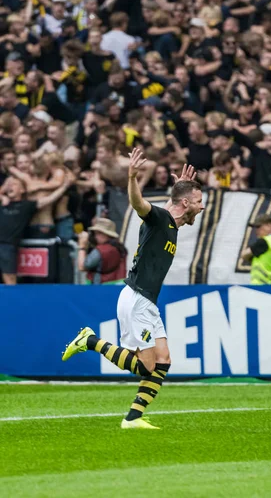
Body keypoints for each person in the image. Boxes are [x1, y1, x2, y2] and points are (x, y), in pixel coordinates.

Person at [62, 150, 204, 430]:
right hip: (137, 298)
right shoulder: (159, 218)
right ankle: (90, 341)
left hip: (148, 301)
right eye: (198, 202)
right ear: (186, 203)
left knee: (163, 361)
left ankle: (133, 419)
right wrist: (132, 177)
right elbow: (139, 204)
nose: (201, 208)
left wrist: (179, 189)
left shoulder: (169, 223)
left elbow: (168, 211)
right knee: (145, 367)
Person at [0, 174, 71, 285]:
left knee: (9, 278)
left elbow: (49, 199)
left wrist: (65, 186)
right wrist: (2, 195)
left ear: (22, 190)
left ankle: (11, 301)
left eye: (14, 184)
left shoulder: (26, 205)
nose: (10, 187)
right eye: (8, 184)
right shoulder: (3, 202)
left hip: (7, 245)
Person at [241, 214, 271, 285]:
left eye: (258, 227)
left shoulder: (265, 241)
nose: (256, 230)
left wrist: (251, 258)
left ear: (269, 226)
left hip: (262, 286)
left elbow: (244, 255)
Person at [78, 217, 127, 284]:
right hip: (117, 286)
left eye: (98, 233)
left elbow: (82, 267)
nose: (95, 236)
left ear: (105, 234)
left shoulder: (100, 251)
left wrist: (82, 246)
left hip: (100, 288)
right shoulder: (119, 248)